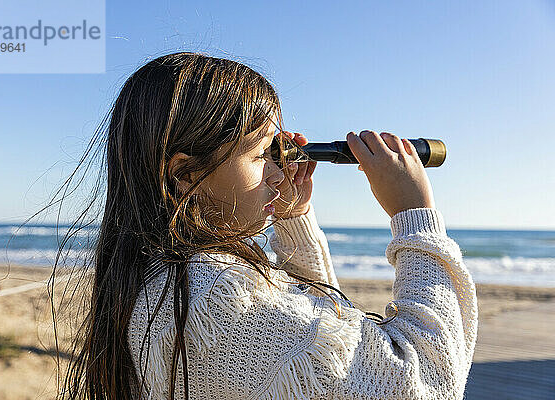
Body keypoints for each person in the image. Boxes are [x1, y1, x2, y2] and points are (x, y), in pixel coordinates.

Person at [57, 52, 478, 400]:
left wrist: (293, 216)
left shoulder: (163, 278)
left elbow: (311, 360)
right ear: (184, 172)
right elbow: (425, 382)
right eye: (261, 155)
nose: (277, 173)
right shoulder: (220, 302)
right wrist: (415, 215)